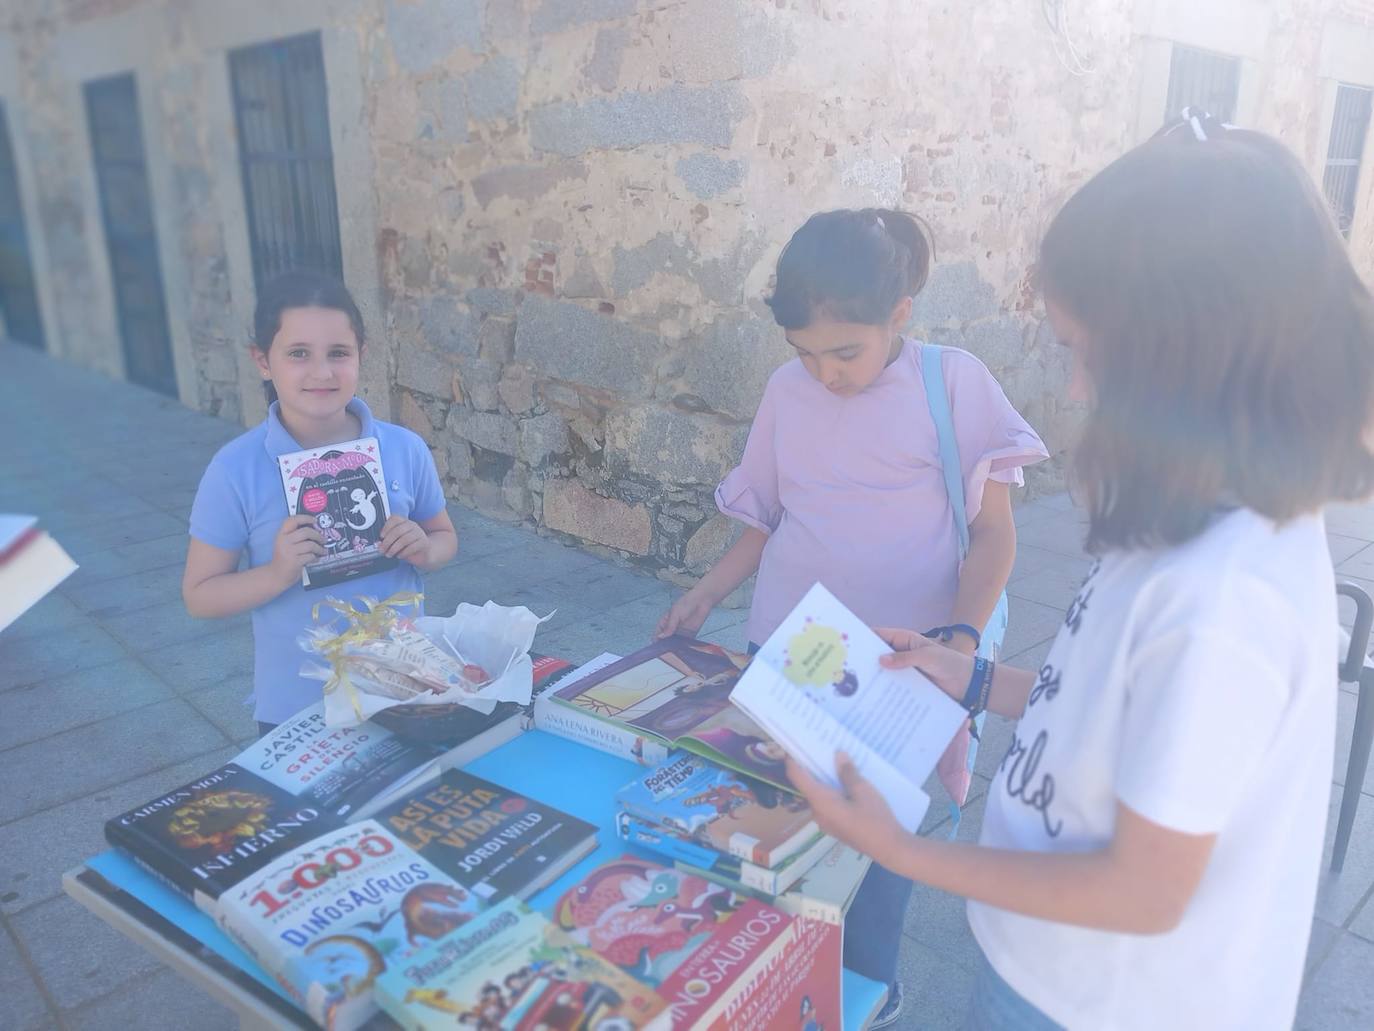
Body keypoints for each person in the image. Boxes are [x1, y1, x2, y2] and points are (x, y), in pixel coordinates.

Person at [786, 111, 1374, 1030]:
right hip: (1051, 975)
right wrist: (976, 678)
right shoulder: (1190, 517)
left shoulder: (1225, 595)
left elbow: (1142, 892)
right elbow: (1103, 706)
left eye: (1079, 350)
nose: (1071, 389)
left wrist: (897, 850)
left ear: (1184, 359)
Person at [658, 208, 1049, 1026]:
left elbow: (993, 533)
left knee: (877, 848)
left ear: (899, 315)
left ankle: (867, 989)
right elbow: (765, 514)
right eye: (805, 353)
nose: (825, 374)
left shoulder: (953, 382)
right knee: (783, 819)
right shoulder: (785, 392)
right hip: (790, 648)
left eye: (846, 351)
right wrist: (709, 590)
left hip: (906, 669)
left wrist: (963, 641)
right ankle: (774, 981)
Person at [182, 270, 457, 733]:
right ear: (263, 361)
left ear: (361, 357)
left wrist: (426, 550)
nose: (322, 372)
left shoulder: (404, 448)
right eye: (298, 354)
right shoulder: (235, 470)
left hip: (406, 687)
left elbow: (444, 536)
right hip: (297, 705)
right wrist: (276, 572)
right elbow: (199, 596)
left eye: (339, 353)